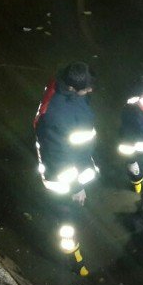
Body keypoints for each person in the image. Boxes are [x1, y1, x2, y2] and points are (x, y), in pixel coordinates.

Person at [33, 61, 98, 205]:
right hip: (62, 178)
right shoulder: (60, 116)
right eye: (86, 89)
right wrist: (77, 188)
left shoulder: (62, 88)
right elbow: (58, 156)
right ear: (71, 87)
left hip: (72, 153)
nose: (90, 91)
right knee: (63, 204)